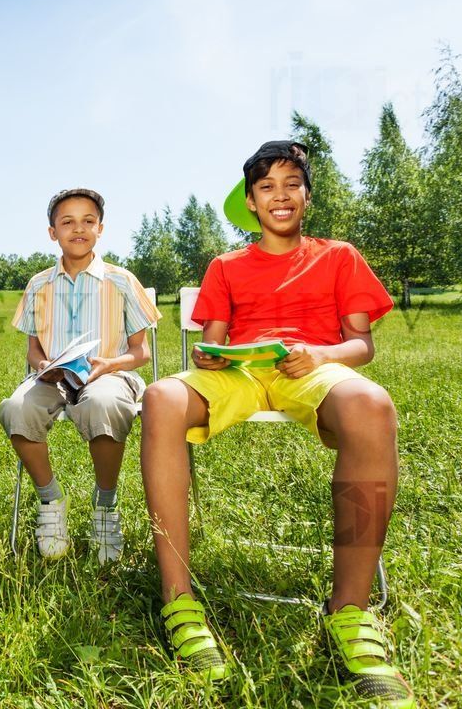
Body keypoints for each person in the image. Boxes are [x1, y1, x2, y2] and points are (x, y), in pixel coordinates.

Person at [139, 141, 413, 707]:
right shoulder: (226, 266)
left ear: (307, 196)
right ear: (251, 201)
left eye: (292, 184)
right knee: (162, 395)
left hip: (307, 367)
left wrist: (319, 354)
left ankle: (352, 613)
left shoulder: (338, 256)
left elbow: (361, 344)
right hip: (243, 374)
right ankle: (179, 603)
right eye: (267, 187)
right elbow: (210, 343)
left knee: (373, 405)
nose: (280, 195)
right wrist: (211, 356)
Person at [0, 188, 159, 563]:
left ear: (101, 228)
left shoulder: (120, 281)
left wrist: (108, 365)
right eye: (67, 222)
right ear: (52, 232)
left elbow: (142, 352)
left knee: (101, 402)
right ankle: (51, 501)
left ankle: (105, 507)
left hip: (109, 374)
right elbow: (33, 348)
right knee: (15, 409)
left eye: (88, 221)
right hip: (54, 379)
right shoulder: (39, 284)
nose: (78, 229)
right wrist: (41, 366)